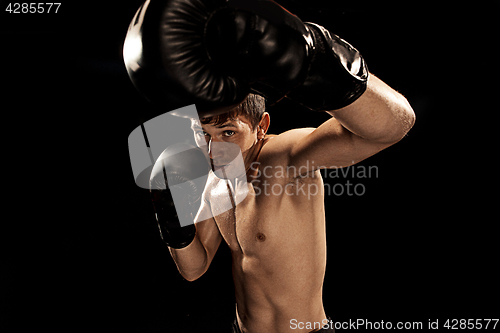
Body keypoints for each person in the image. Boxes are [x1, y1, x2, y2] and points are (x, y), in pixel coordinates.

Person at [124, 1, 416, 332]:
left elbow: (395, 125)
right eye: (202, 133)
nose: (212, 147)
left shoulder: (285, 159)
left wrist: (317, 60)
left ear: (261, 127)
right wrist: (170, 217)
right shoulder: (211, 176)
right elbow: (195, 267)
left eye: (228, 132)